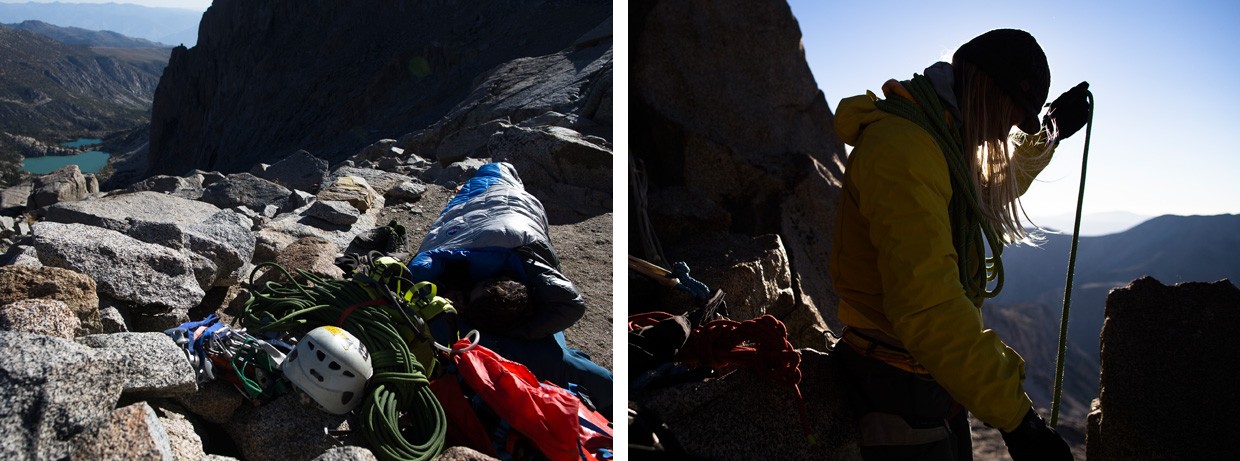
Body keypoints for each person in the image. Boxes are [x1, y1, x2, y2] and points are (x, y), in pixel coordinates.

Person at [829, 29, 1090, 460]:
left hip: (931, 376)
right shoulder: (902, 149)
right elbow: (928, 307)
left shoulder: (940, 139)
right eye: (1012, 113)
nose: (1009, 128)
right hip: (894, 383)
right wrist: (1019, 423)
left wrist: (1050, 133)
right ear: (987, 90)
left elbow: (987, 189)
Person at [408, 162, 614, 419]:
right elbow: (570, 304)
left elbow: (419, 270)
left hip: (507, 211)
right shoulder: (549, 355)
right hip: (508, 214)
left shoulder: (461, 331)